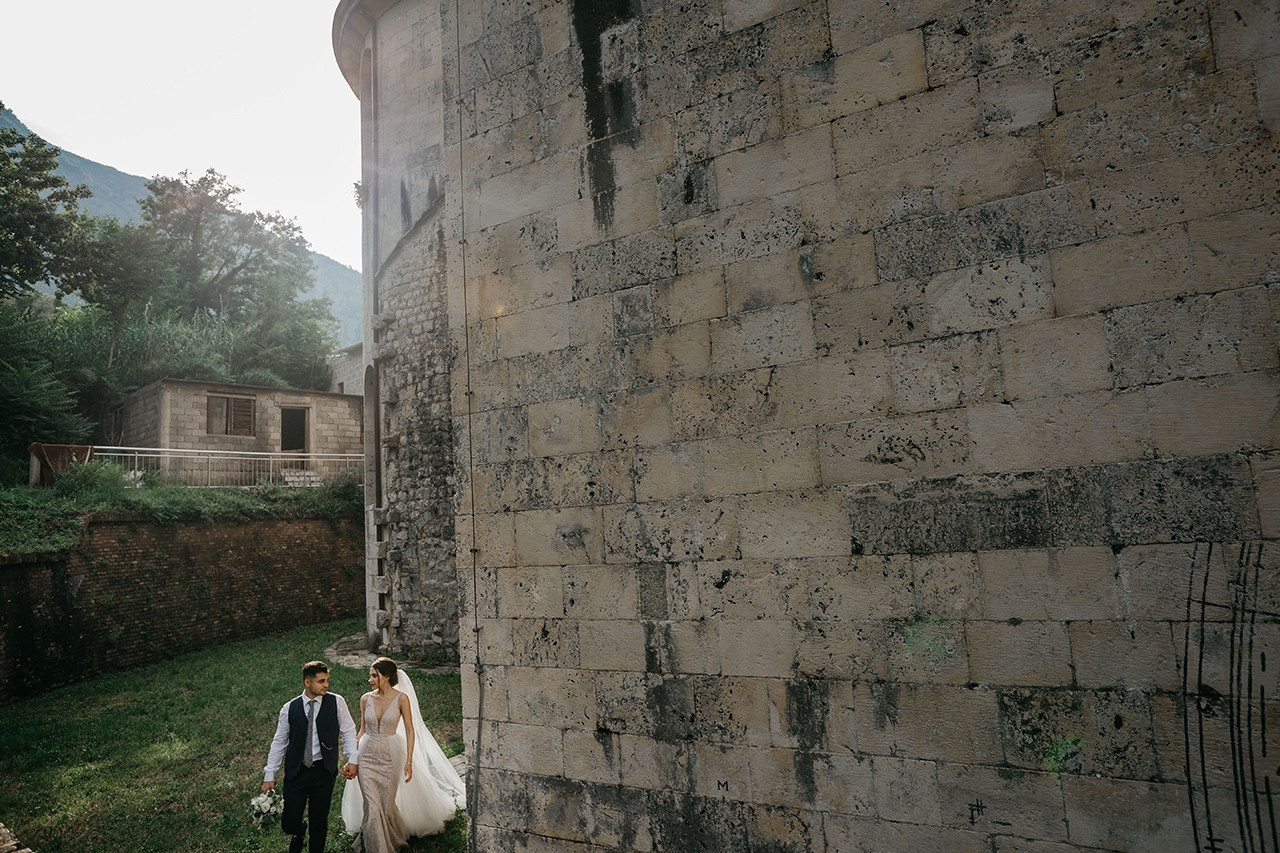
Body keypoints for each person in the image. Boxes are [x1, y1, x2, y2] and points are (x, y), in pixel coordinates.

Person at [341, 657, 466, 850]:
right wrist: (352, 759)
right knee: (372, 806)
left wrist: (408, 761)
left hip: (392, 754)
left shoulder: (401, 699)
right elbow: (362, 730)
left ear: (387, 676)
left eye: (374, 675)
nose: (370, 680)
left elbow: (409, 729)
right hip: (367, 754)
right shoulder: (365, 698)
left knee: (386, 803)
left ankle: (393, 836)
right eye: (370, 676)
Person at [262, 660, 360, 853]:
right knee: (289, 823)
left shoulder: (336, 702)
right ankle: (299, 831)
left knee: (319, 821)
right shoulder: (289, 708)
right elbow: (279, 743)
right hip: (296, 772)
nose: (326, 685)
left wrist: (352, 759)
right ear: (308, 683)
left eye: (327, 680)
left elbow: (348, 731)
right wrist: (269, 775)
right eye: (321, 681)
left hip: (324, 770)